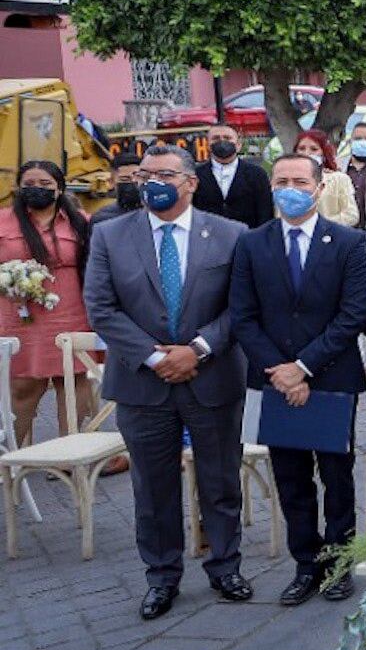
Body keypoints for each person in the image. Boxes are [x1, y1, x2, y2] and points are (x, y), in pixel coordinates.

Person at [82, 144, 252, 619]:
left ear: (191, 182)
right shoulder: (110, 235)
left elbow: (241, 306)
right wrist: (156, 356)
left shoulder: (230, 234)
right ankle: (161, 577)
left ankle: (226, 567)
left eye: (164, 174)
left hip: (211, 375)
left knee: (220, 480)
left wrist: (196, 349)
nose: (152, 182)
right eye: (145, 175)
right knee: (152, 488)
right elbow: (101, 307)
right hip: (142, 382)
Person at [227, 152, 366, 605]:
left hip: (331, 377)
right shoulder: (252, 244)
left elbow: (351, 316)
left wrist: (303, 368)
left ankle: (340, 562)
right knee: (290, 478)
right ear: (271, 186)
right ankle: (305, 565)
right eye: (281, 180)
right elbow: (243, 317)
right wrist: (282, 372)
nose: (290, 188)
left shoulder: (347, 243)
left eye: (298, 180)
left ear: (319, 187)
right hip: (273, 381)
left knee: (337, 476)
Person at [3, 161, 97, 451]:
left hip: (72, 312)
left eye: (45, 184)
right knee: (23, 385)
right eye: (29, 184)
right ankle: (12, 456)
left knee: (73, 381)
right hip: (21, 316)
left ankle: (68, 451)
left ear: (59, 189)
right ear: (19, 188)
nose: (37, 190)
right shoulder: (5, 221)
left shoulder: (81, 221)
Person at [194, 124, 270, 229]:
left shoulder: (257, 174)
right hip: (208, 237)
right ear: (207, 145)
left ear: (238, 145)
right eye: (216, 138)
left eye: (227, 138)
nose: (222, 141)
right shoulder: (195, 174)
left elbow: (265, 212)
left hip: (248, 237)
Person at [287, 130, 359, 228]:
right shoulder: (286, 182)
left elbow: (351, 215)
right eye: (301, 148)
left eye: (314, 149)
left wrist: (317, 225)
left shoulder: (339, 179)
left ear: (323, 153)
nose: (307, 153)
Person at [94, 149, 146, 226]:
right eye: (125, 179)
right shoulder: (102, 219)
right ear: (111, 182)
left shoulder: (156, 214)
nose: (133, 182)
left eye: (138, 177)